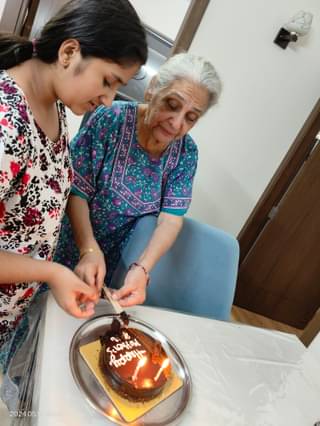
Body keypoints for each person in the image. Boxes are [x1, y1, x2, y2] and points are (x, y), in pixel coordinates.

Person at [0, 0, 147, 370]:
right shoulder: (6, 121)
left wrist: (88, 249)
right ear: (69, 51)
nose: (108, 99)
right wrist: (52, 272)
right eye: (108, 81)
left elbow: (53, 187)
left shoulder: (56, 107)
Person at [55, 52, 221, 308]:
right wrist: (88, 248)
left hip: (120, 262)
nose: (176, 124)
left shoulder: (186, 153)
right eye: (172, 105)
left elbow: (170, 219)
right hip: (70, 241)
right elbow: (76, 191)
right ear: (152, 90)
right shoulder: (111, 119)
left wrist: (142, 268)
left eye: (191, 117)